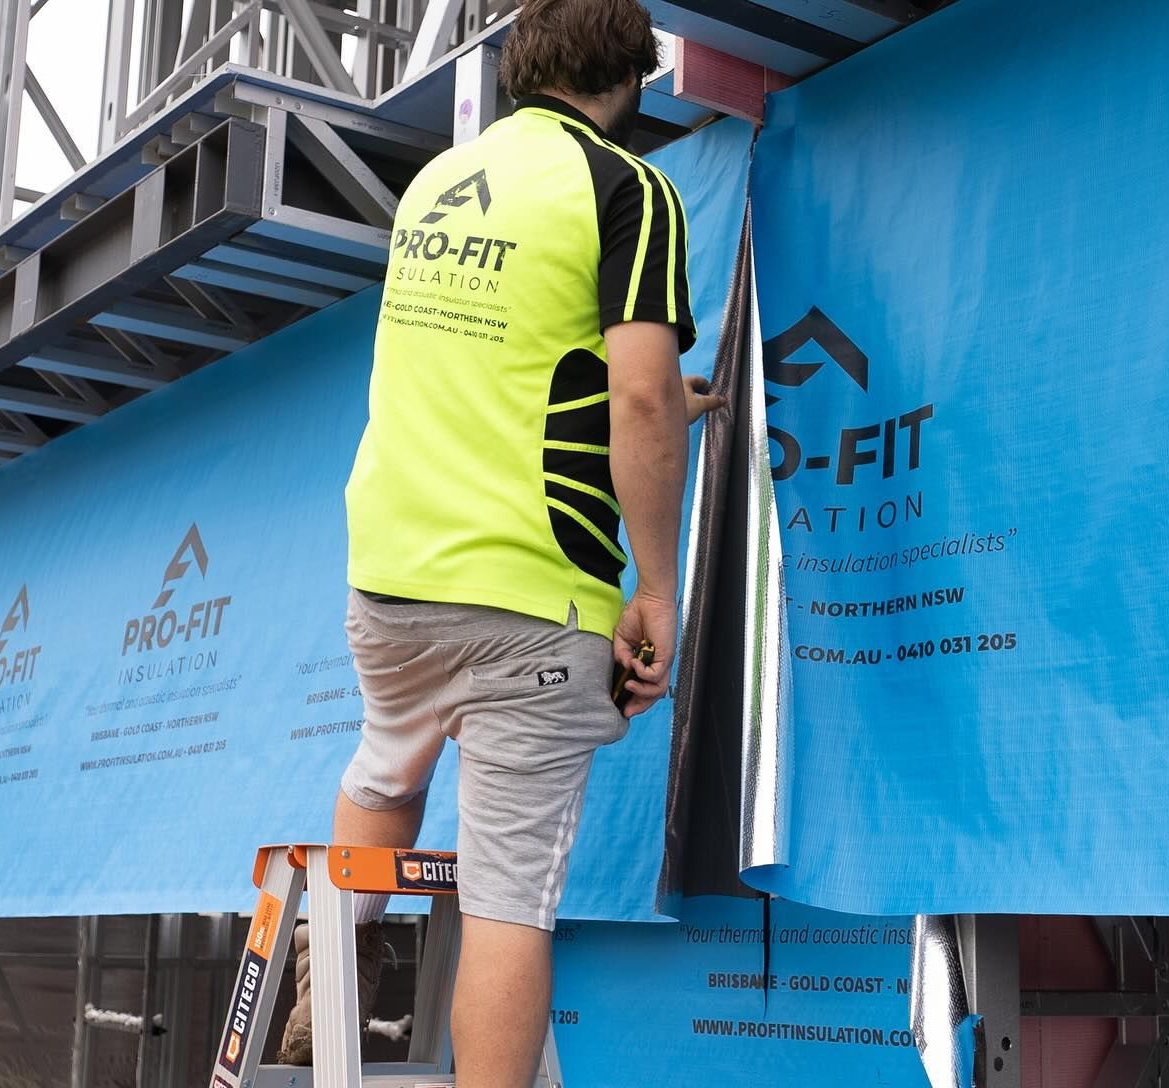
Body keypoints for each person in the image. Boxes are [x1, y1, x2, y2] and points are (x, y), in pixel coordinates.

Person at [279, 0, 724, 1083]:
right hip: (530, 596)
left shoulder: (439, 182)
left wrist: (667, 400)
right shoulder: (629, 189)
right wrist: (657, 589)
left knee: (387, 766)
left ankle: (326, 987)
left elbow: (506, 370)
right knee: (507, 902)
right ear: (630, 75)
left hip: (390, 579)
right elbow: (639, 400)